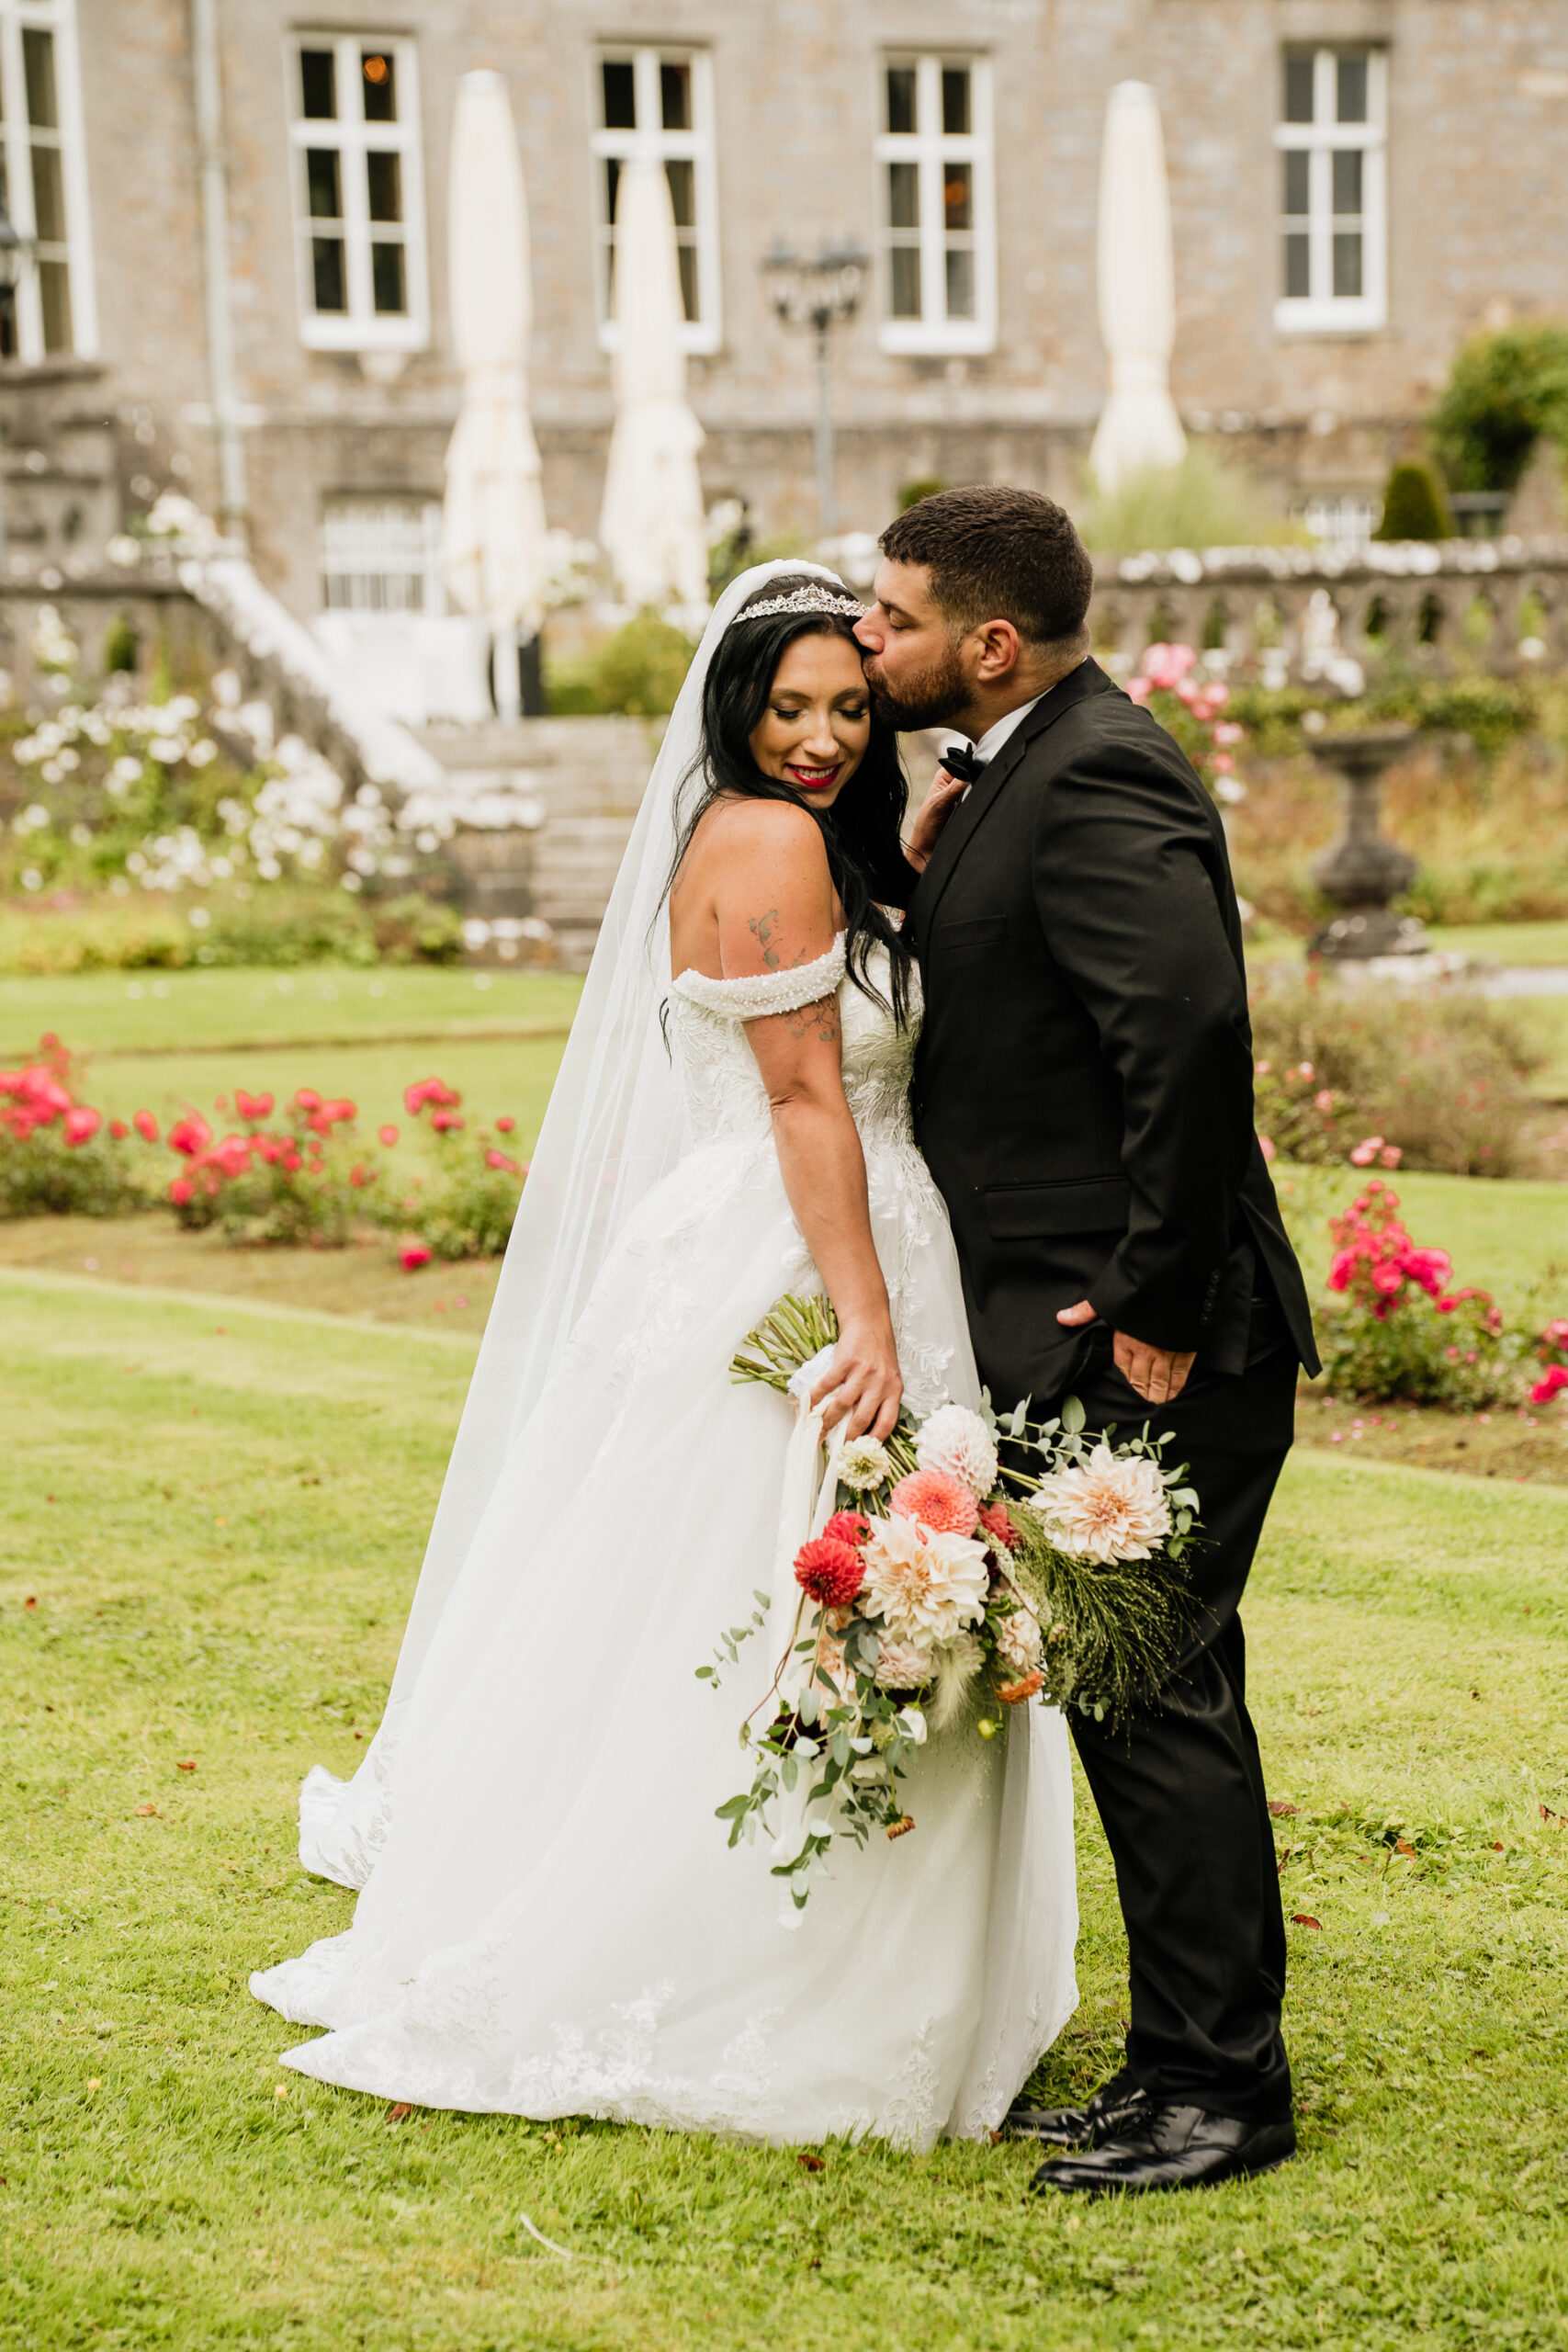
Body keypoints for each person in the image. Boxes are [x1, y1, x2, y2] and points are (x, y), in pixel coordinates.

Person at [251, 564, 1077, 2148]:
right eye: (792, 709)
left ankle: (864, 1941)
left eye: (851, 705)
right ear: (737, 707)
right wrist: (865, 1318)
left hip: (841, 1228)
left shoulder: (807, 838)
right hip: (791, 1251)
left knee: (810, 1590)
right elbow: (801, 1101)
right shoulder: (762, 840)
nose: (826, 737)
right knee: (761, 1583)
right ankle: (749, 1954)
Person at [855, 486, 1319, 2198]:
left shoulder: (1102, 767)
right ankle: (1173, 2071)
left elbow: (1186, 1033)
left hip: (1150, 1335)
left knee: (1157, 1689)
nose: (865, 638)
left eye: (891, 620)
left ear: (988, 644)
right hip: (1068, 1326)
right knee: (1137, 1696)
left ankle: (1222, 2098)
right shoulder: (1002, 775)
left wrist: (1155, 1302)